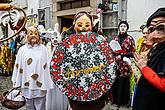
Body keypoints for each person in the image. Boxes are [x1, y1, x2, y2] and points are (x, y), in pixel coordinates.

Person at [11, 26, 54, 110]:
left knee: (41, 106)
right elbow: (17, 65)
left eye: (36, 33)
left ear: (39, 36)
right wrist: (16, 80)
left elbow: (49, 65)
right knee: (29, 106)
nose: (33, 35)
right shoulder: (22, 50)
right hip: (27, 84)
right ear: (27, 36)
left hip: (40, 84)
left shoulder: (44, 49)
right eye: (31, 33)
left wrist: (50, 80)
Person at [133, 7, 165, 110]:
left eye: (160, 27)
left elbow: (163, 84)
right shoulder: (158, 46)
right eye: (151, 28)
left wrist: (143, 67)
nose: (153, 33)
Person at [111, 21, 135, 107]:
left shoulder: (130, 39)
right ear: (119, 28)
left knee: (123, 82)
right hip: (115, 64)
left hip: (125, 64)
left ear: (127, 28)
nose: (122, 28)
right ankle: (115, 100)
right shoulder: (115, 39)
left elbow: (132, 53)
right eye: (121, 26)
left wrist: (122, 56)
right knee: (115, 82)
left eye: (124, 26)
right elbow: (111, 51)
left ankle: (123, 101)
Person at [46, 23, 69, 110]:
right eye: (53, 38)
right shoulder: (48, 49)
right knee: (51, 91)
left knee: (60, 92)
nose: (55, 40)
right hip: (50, 76)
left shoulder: (63, 48)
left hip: (61, 75)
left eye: (56, 38)